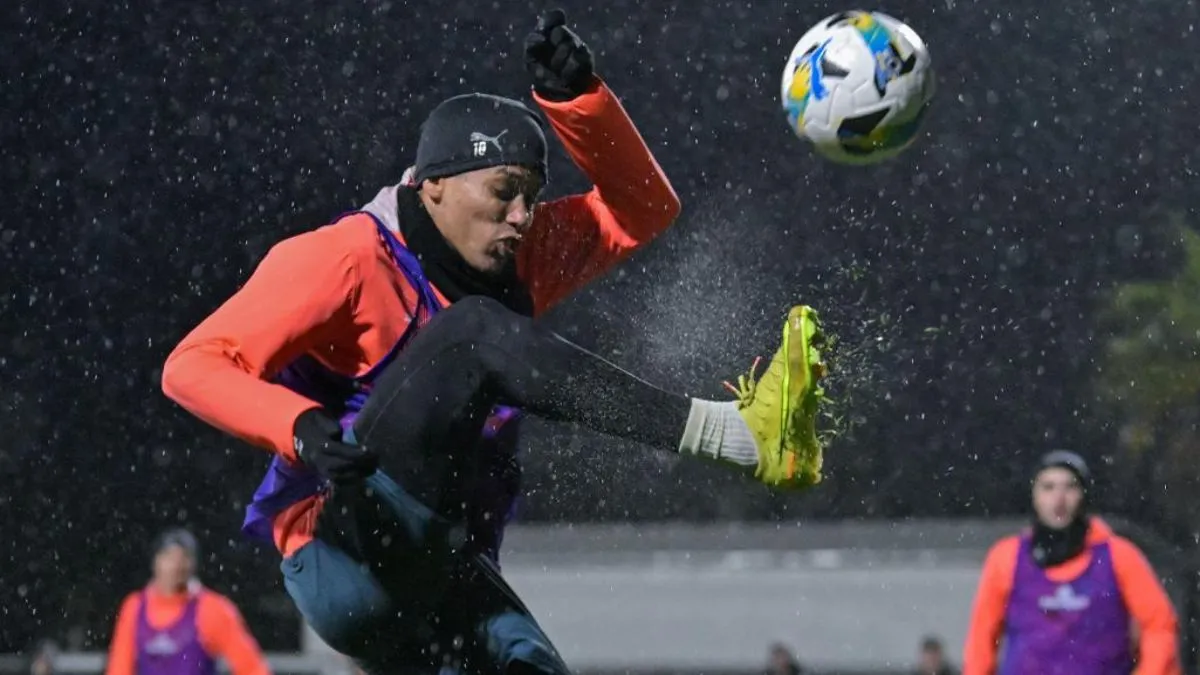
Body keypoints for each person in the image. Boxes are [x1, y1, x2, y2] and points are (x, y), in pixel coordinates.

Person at [160, 9, 829, 675]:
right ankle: (734, 434)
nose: (522, 216)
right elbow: (191, 366)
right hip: (342, 549)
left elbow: (643, 208)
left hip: (447, 576)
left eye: (532, 196)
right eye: (504, 191)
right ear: (434, 185)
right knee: (474, 333)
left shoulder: (519, 253)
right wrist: (298, 425)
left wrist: (580, 104)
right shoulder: (347, 256)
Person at [962, 450, 1181, 675]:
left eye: (1070, 487)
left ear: (1084, 495)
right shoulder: (1006, 557)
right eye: (1048, 487)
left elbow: (1160, 625)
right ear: (1034, 495)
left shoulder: (1119, 555)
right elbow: (982, 636)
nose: (1059, 499)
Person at [104, 529, 271, 675]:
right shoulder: (135, 607)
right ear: (156, 562)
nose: (176, 566)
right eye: (169, 557)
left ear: (193, 564)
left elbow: (252, 668)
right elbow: (119, 668)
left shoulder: (212, 609)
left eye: (183, 558)